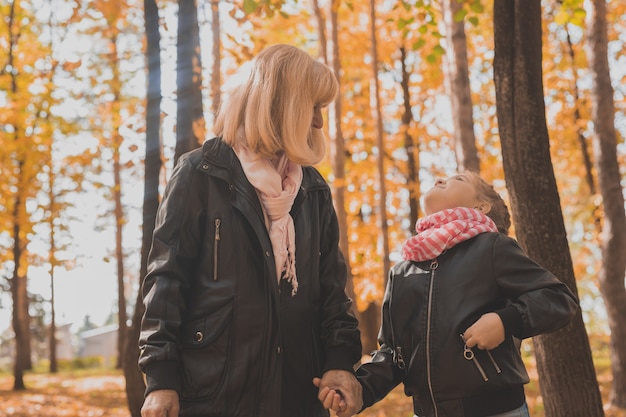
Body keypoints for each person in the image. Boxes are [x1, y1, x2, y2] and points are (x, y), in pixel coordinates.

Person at [139, 44, 362, 417]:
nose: (320, 122)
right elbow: (166, 282)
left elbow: (332, 293)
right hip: (214, 394)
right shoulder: (199, 174)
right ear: (282, 105)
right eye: (313, 107)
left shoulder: (314, 190)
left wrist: (339, 361)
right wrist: (160, 381)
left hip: (297, 395)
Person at [319, 171, 579, 417]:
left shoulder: (492, 248)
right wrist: (360, 391)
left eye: (458, 178)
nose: (441, 178)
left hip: (497, 410)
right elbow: (393, 353)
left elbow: (558, 298)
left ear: (481, 207)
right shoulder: (403, 271)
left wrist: (505, 320)